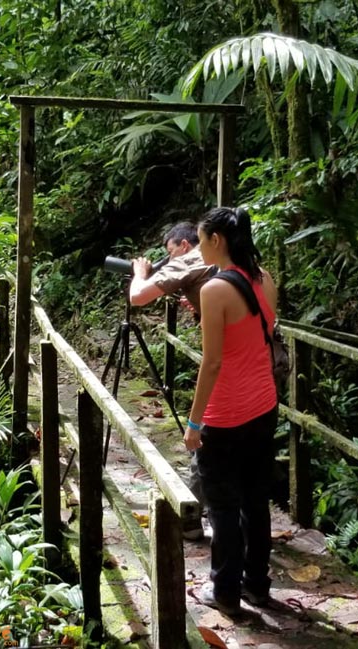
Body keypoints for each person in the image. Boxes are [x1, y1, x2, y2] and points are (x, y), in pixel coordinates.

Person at [184, 206, 278, 616]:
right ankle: (257, 585)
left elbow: (214, 362)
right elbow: (261, 335)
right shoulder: (263, 278)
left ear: (216, 240)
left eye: (201, 241)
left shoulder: (213, 289)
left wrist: (194, 422)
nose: (199, 249)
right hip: (264, 406)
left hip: (224, 417)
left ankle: (224, 592)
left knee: (222, 506)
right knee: (255, 500)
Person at [129, 221, 214, 540]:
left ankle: (189, 520)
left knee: (203, 439)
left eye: (170, 251)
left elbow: (138, 297)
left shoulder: (191, 261)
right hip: (260, 368)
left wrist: (141, 272)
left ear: (186, 246)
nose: (169, 259)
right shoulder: (230, 265)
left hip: (226, 369)